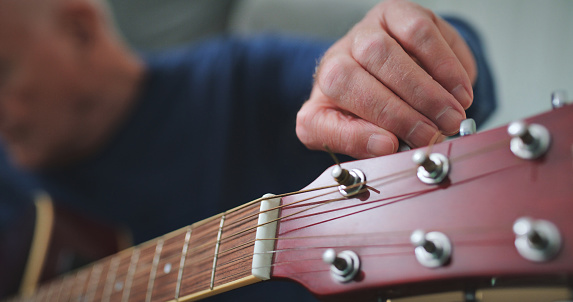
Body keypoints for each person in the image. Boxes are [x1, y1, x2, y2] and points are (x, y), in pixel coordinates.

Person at [0, 0, 495, 300]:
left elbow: (442, 89)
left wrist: (412, 52)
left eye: (3, 70)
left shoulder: (237, 81)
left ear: (80, 29)